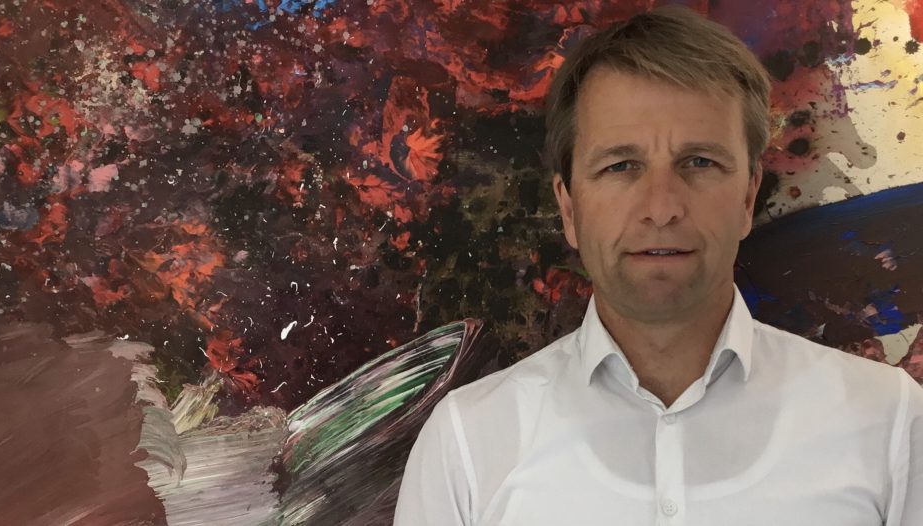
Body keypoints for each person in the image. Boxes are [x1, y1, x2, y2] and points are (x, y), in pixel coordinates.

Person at [392, 5, 923, 525]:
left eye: (700, 162)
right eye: (621, 165)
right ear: (569, 208)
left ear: (747, 198)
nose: (662, 207)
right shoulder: (467, 444)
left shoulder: (890, 423)